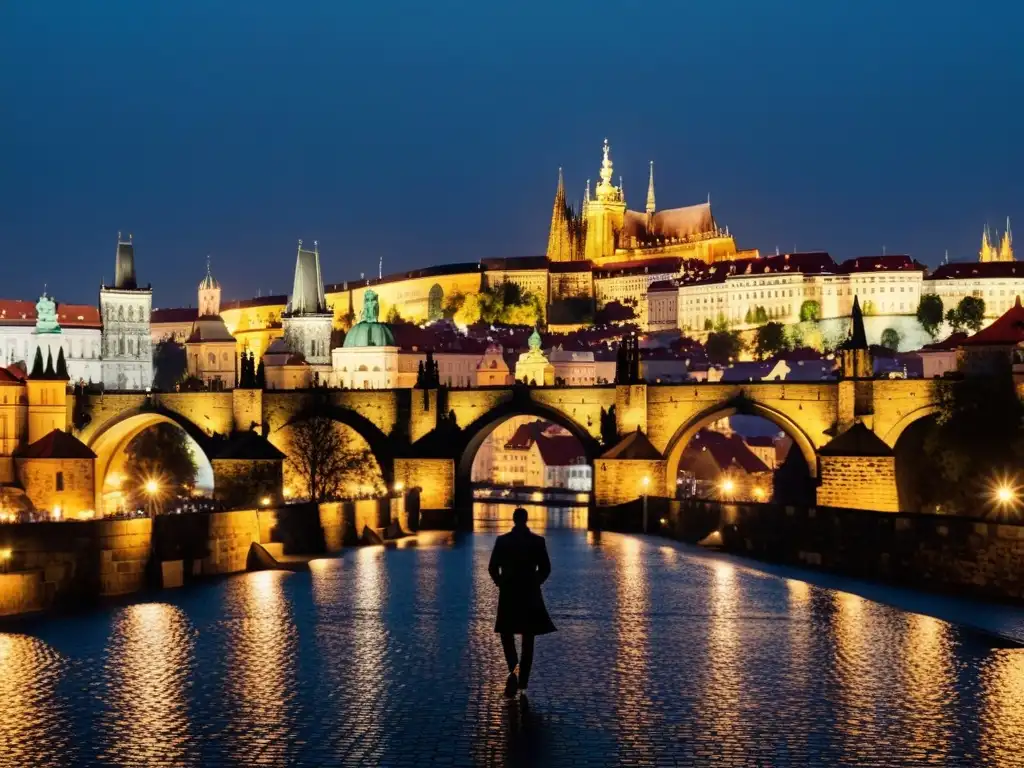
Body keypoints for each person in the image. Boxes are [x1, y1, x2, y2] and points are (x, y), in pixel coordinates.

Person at [488, 507, 556, 697]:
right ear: (526, 520)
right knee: (528, 637)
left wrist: (500, 582)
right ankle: (523, 679)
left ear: (513, 519)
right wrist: (536, 581)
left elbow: (492, 567)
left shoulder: (502, 541)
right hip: (529, 593)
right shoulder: (537, 541)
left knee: (506, 632)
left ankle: (513, 665)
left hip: (509, 592)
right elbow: (546, 568)